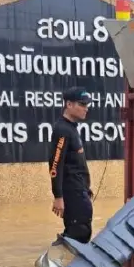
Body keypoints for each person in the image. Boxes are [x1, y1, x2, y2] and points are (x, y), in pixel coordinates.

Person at [49, 88, 95, 246]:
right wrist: (58, 197)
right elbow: (55, 164)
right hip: (71, 191)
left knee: (83, 229)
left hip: (80, 189)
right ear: (69, 104)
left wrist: (86, 188)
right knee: (78, 232)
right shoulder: (62, 129)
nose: (86, 108)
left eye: (87, 105)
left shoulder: (72, 128)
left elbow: (76, 164)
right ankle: (57, 258)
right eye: (82, 104)